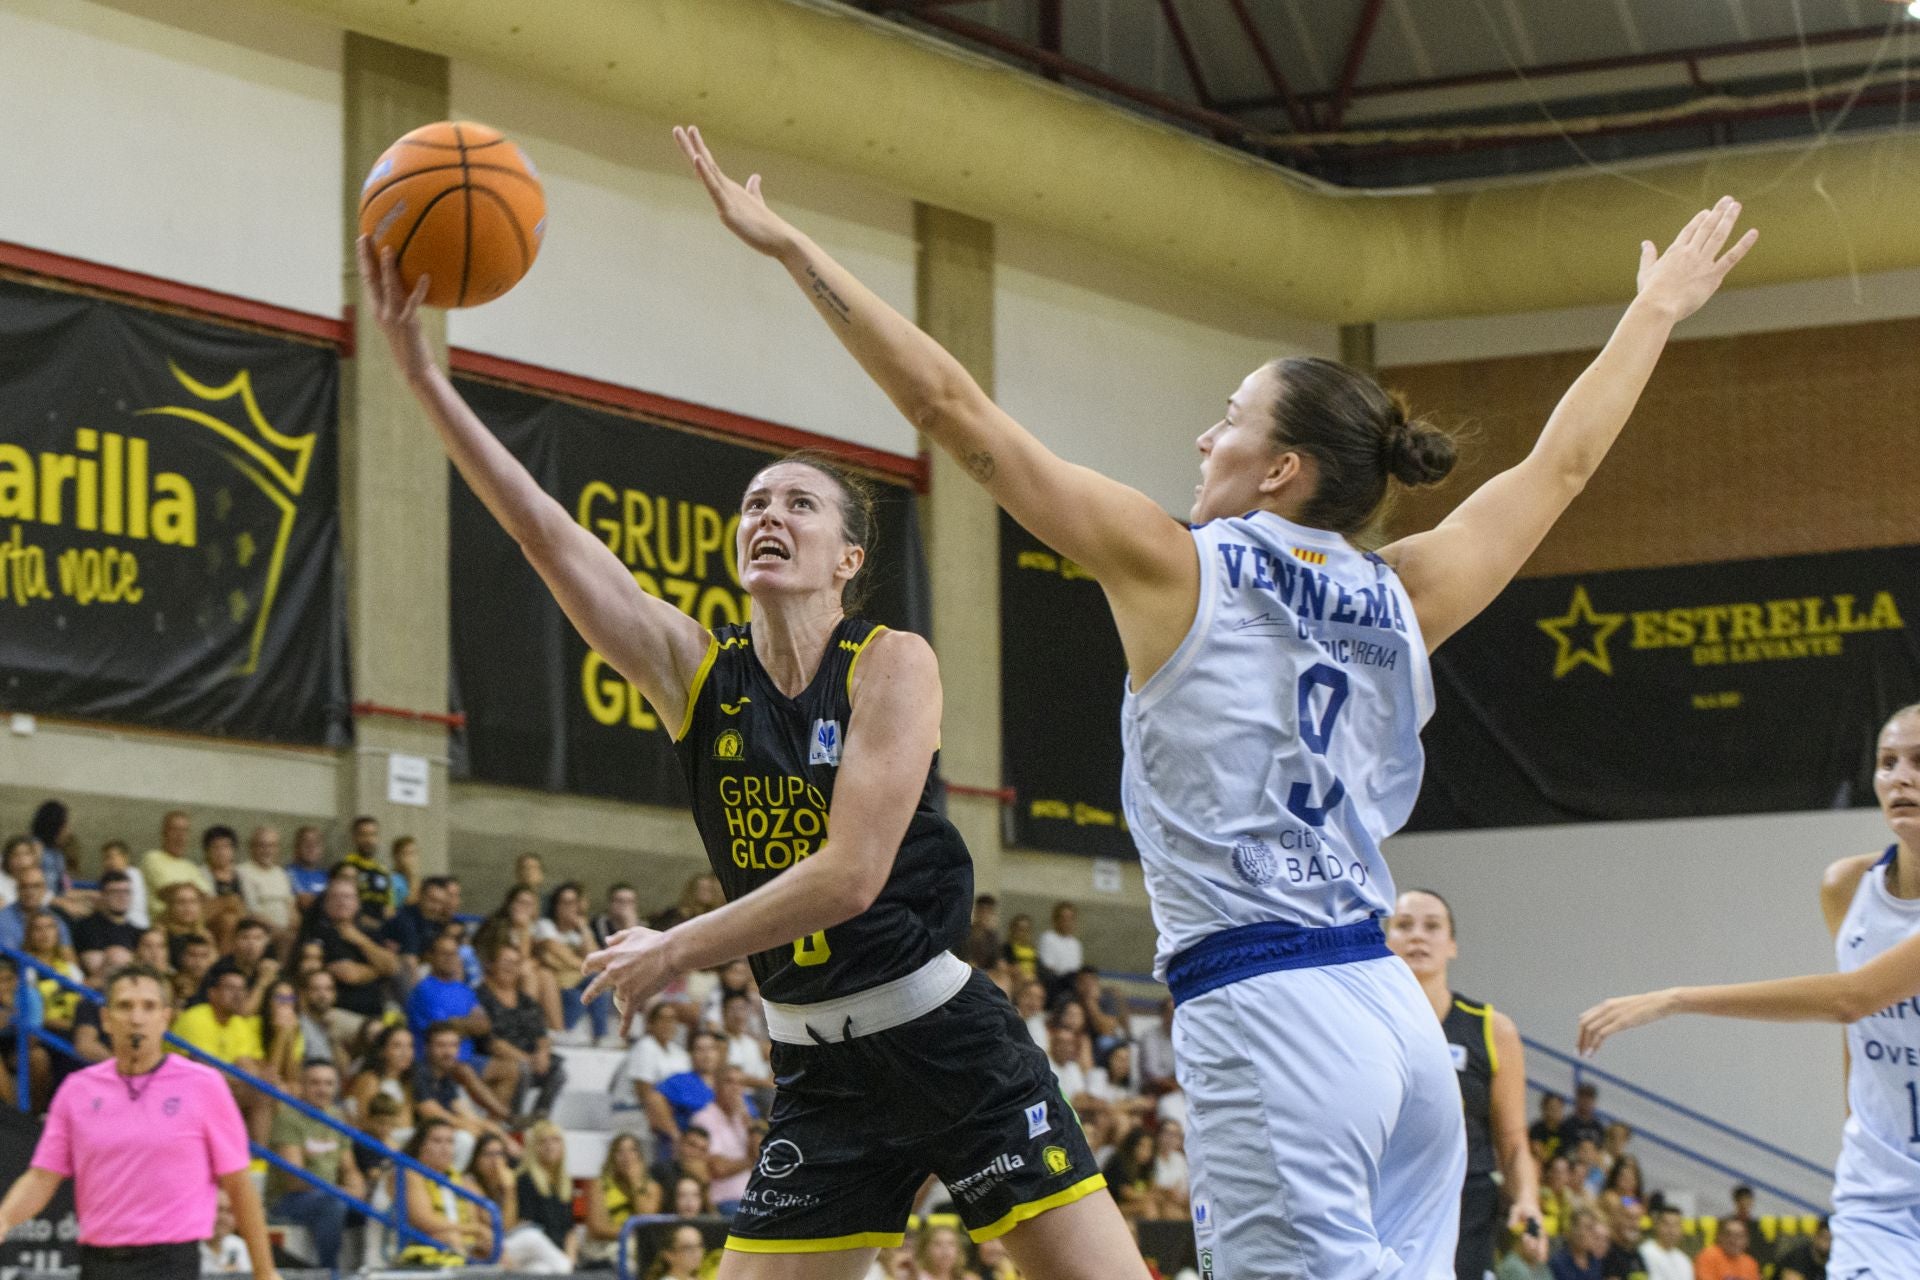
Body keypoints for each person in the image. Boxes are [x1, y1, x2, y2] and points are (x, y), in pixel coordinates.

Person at [676, 121, 1756, 1279]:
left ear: (1281, 468)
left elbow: (950, 408)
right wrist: (1651, 314)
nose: (1207, 432)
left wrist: (795, 249)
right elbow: (1563, 467)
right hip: (1395, 1018)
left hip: (1271, 1012)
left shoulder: (1179, 566)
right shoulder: (1404, 588)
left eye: (1231, 414)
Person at [360, 221, 1139, 1277]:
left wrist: (678, 946)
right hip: (819, 1072)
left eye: (798, 502)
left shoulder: (891, 662)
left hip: (949, 1044)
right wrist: (419, 373)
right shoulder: (693, 669)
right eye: (754, 502)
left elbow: (852, 874)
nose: (768, 512)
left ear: (847, 555)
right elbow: (544, 532)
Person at [1579, 704, 1920, 1280]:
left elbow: (1850, 997)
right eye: (1887, 763)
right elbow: (1857, 1029)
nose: (1901, 777)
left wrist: (1676, 998)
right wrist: (1854, 1133)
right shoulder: (1847, 887)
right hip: (1878, 1193)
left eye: (1918, 762)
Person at [0, 964, 280, 1280]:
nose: (136, 1017)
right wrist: (5, 1219)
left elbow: (239, 1183)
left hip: (171, 1262)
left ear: (166, 1018)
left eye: (148, 1006)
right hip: (98, 1261)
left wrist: (265, 1271)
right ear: (105, 1019)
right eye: (125, 1006)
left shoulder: (203, 1085)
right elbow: (42, 1177)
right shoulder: (77, 1090)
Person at [1387, 889, 1546, 1280]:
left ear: (1452, 945)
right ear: (1386, 941)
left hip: (1466, 1203)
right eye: (1404, 926)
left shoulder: (1492, 1029)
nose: (1418, 936)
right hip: (1386, 1196)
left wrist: (1527, 1197)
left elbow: (1512, 1141)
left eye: (1432, 926)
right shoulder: (1361, 1023)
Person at [267, 1058, 365, 1271]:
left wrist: (357, 1187)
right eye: (315, 1083)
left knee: (373, 1205)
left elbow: (349, 1168)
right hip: (287, 1200)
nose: (323, 1089)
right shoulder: (289, 1118)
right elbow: (294, 1179)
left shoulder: (336, 1117)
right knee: (334, 1204)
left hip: (327, 1194)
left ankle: (366, 1269)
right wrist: (339, 1191)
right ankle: (328, 1272)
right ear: (302, 1086)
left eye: (329, 1083)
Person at [469, 1131, 576, 1272]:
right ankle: (570, 1272)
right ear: (476, 1159)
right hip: (483, 1249)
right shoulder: (470, 1183)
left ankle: (567, 1270)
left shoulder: (503, 1183)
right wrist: (509, 1190)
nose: (495, 1160)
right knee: (532, 1237)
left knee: (541, 1269)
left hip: (505, 1248)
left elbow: (511, 1225)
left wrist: (508, 1189)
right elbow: (502, 1228)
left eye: (499, 1154)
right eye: (488, 1154)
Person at [585, 1132, 662, 1267]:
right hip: (607, 1246)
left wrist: (635, 1183)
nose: (626, 1157)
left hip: (639, 1245)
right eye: (620, 1152)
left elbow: (646, 1220)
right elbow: (596, 1228)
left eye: (632, 1150)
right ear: (612, 1157)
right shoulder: (600, 1185)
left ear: (640, 1155)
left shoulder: (652, 1188)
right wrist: (629, 1232)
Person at [516, 1121, 586, 1265]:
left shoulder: (564, 1183)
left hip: (559, 1255)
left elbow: (570, 1231)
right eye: (543, 1141)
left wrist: (571, 1261)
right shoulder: (525, 1179)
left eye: (555, 1140)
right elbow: (526, 1227)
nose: (550, 1146)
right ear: (533, 1148)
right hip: (534, 1254)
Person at [73, 871, 143, 979]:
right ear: (102, 895)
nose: (122, 897)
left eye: (126, 892)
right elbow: (95, 969)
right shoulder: (87, 927)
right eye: (115, 892)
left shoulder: (138, 931)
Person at [237, 826, 297, 941]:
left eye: (272, 846)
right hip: (259, 929)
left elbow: (291, 907)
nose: (267, 850)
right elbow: (252, 911)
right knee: (287, 938)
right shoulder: (242, 872)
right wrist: (280, 930)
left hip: (285, 930)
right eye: (262, 845)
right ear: (252, 847)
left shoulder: (281, 873)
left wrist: (297, 925)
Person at [141, 810, 213, 898]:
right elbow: (170, 894)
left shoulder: (190, 867)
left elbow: (208, 897)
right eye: (175, 830)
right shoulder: (152, 858)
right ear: (164, 833)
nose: (180, 836)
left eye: (185, 831)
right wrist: (194, 891)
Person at [1690, 1219, 1759, 1280]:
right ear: (1719, 1237)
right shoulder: (1708, 1255)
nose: (1734, 1240)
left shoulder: (1750, 1263)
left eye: (1739, 1236)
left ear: (1747, 1240)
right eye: (1729, 1235)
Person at [1549, 1208, 1607, 1280]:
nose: (1592, 1233)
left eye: (1592, 1228)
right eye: (1587, 1228)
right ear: (1572, 1231)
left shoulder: (1595, 1261)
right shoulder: (1558, 1263)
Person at [1636, 1206, 1691, 1280]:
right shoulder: (1644, 1253)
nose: (1671, 1230)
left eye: (1676, 1225)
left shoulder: (1684, 1260)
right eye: (1667, 1224)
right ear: (1656, 1226)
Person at [285, 827, 330, 912]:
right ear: (297, 847)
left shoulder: (327, 875)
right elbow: (305, 902)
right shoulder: (287, 874)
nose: (311, 847)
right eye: (306, 842)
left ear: (321, 849)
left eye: (316, 843)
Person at [1530, 1095, 1566, 1165]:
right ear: (1544, 1109)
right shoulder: (1536, 1129)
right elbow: (1539, 1153)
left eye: (1559, 1108)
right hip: (1541, 1166)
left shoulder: (1566, 1130)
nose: (1557, 1111)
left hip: (1562, 1169)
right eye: (1553, 1108)